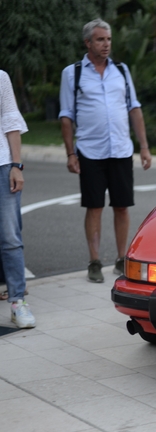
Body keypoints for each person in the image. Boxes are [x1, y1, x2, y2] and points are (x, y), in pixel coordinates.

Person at [59, 18, 152, 283]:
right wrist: (70, 153)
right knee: (95, 206)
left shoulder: (121, 70)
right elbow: (66, 116)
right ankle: (94, 261)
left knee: (122, 206)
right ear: (88, 42)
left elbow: (134, 108)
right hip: (90, 150)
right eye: (100, 39)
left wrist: (143, 147)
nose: (106, 44)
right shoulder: (73, 73)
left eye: (109, 39)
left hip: (121, 149)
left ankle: (121, 258)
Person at [0, 70, 36, 328]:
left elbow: (11, 120)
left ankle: (17, 303)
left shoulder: (0, 77)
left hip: (2, 165)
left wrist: (16, 165)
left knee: (10, 237)